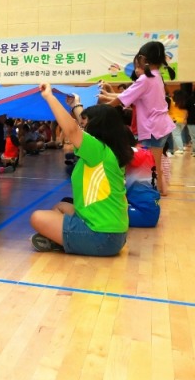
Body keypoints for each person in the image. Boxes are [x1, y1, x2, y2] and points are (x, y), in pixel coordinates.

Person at [31, 84, 133, 255]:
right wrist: (75, 105)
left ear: (97, 127)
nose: (83, 127)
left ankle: (66, 241)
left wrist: (49, 96)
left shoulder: (98, 150)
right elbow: (82, 125)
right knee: (61, 207)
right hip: (114, 234)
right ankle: (64, 240)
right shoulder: (111, 150)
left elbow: (72, 130)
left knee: (37, 217)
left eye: (85, 125)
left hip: (101, 236)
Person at [99, 41, 175, 195]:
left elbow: (122, 98)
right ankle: (162, 189)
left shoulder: (145, 79)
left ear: (143, 59)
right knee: (155, 161)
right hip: (161, 126)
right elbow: (128, 95)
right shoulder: (156, 76)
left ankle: (154, 191)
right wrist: (108, 95)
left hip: (153, 128)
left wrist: (103, 108)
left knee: (151, 163)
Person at [168, 90, 187, 155]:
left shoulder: (172, 101)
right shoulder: (184, 102)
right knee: (178, 134)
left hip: (174, 120)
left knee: (176, 135)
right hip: (183, 120)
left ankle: (180, 149)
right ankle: (179, 147)